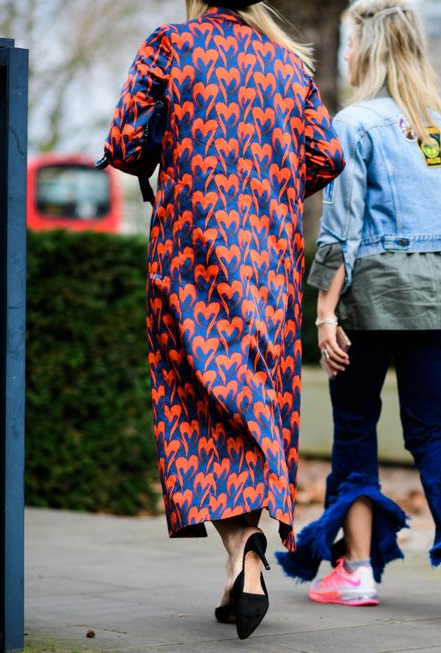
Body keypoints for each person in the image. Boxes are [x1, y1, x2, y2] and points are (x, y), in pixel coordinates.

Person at [275, 0, 441, 618]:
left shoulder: (354, 123)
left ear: (367, 51)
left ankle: (357, 571)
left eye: (352, 44)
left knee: (356, 427)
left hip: (374, 292)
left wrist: (325, 313)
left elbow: (342, 226)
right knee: (429, 430)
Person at [99, 0, 344, 639]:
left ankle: (244, 554)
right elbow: (326, 155)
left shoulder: (172, 46)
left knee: (194, 406)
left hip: (192, 256)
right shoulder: (290, 66)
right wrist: (267, 176)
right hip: (268, 263)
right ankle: (244, 558)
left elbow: (125, 143)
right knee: (254, 404)